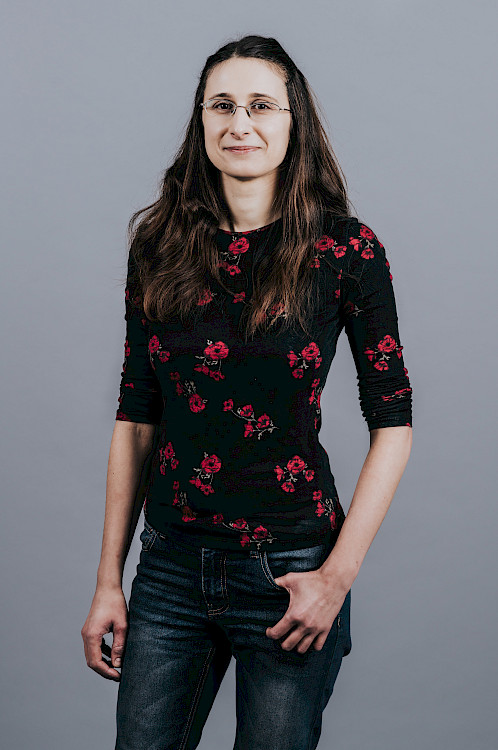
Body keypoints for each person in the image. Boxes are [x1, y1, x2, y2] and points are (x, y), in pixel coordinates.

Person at [81, 34, 413, 750]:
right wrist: (109, 580)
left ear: (295, 124)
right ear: (201, 121)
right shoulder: (159, 245)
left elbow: (393, 420)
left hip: (292, 570)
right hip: (169, 570)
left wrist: (336, 578)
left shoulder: (345, 250)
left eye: (262, 106)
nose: (240, 123)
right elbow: (137, 416)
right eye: (222, 105)